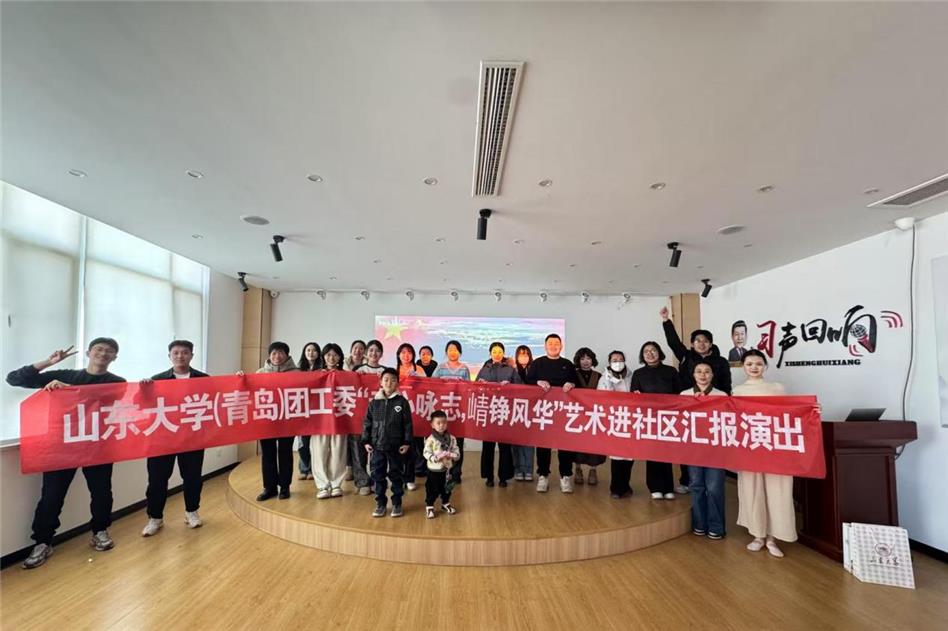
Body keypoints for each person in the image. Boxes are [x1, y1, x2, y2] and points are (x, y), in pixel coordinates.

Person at [7, 338, 125, 569]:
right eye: (99, 349)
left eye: (109, 351)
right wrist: (48, 362)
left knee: (101, 492)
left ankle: (100, 531)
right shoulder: (66, 375)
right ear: (89, 353)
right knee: (51, 495)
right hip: (61, 446)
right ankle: (43, 542)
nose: (103, 353)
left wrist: (68, 390)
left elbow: (102, 397)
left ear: (114, 357)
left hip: (97, 446)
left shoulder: (117, 382)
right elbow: (14, 379)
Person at [140, 340, 210, 537]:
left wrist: (239, 379)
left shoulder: (203, 379)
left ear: (192, 355)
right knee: (157, 480)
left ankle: (191, 511)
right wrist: (143, 390)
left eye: (185, 352)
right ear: (169, 356)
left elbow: (217, 401)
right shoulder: (157, 380)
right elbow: (143, 406)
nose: (180, 356)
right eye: (176, 352)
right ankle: (155, 518)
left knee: (193, 478)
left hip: (192, 437)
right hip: (162, 438)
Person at [660, 306, 731, 493]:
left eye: (705, 341)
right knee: (688, 443)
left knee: (712, 445)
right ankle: (687, 481)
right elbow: (673, 342)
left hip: (713, 409)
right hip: (689, 407)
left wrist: (725, 405)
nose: (701, 343)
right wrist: (666, 321)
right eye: (697, 341)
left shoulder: (721, 361)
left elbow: (726, 385)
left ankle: (712, 481)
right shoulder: (686, 356)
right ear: (692, 344)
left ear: (711, 344)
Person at [734, 350, 795, 557]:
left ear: (765, 366)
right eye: (749, 363)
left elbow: (791, 414)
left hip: (775, 447)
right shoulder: (737, 391)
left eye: (758, 363)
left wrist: (812, 410)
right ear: (743, 366)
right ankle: (758, 535)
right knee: (753, 490)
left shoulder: (778, 388)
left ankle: (773, 538)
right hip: (750, 447)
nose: (754, 367)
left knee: (777, 490)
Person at [525, 333, 578, 493]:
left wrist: (571, 384)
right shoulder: (537, 363)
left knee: (565, 444)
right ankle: (543, 475)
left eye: (556, 343)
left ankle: (565, 476)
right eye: (550, 343)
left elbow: (576, 382)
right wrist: (537, 382)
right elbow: (528, 382)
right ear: (545, 346)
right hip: (543, 411)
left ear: (561, 346)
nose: (553, 346)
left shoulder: (567, 364)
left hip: (564, 411)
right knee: (543, 444)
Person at [630, 341, 681, 500]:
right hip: (649, 418)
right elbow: (633, 395)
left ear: (659, 353)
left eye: (653, 350)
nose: (650, 353)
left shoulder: (671, 371)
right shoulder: (638, 373)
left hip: (668, 418)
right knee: (652, 452)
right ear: (642, 355)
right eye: (646, 351)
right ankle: (655, 487)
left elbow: (679, 393)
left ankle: (668, 487)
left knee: (666, 453)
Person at [682, 361, 727, 540]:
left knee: (714, 488)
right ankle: (699, 524)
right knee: (696, 486)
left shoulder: (722, 395)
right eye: (699, 371)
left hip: (715, 450)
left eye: (707, 371)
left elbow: (727, 422)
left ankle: (716, 526)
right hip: (693, 450)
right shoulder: (684, 395)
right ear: (693, 375)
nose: (703, 375)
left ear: (712, 375)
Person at [362, 368, 413, 518]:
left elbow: (407, 424)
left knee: (396, 475)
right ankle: (380, 504)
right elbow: (367, 423)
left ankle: (397, 503)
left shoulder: (402, 402)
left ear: (397, 383)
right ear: (381, 382)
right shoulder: (374, 402)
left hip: (396, 446)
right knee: (378, 475)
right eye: (386, 380)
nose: (389, 383)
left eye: (393, 380)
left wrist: (407, 442)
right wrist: (366, 440)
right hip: (377, 446)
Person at [253, 341, 298, 501]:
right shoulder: (260, 373)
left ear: (287, 355)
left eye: (280, 353)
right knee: (268, 454)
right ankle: (269, 487)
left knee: (285, 453)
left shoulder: (297, 373)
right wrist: (241, 378)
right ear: (269, 355)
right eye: (273, 353)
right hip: (266, 420)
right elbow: (249, 391)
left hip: (288, 420)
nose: (277, 356)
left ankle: (285, 486)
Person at [476, 342, 519, 487]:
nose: (497, 354)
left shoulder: (510, 369)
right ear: (490, 353)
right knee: (488, 447)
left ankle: (503, 477)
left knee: (505, 447)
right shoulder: (484, 369)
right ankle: (489, 476)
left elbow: (520, 387)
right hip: (488, 412)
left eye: (500, 351)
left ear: (503, 353)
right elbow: (474, 390)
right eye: (494, 351)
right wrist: (480, 385)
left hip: (504, 412)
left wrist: (510, 386)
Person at [311, 343, 349, 499]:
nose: (331, 358)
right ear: (323, 357)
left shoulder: (347, 375)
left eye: (335, 355)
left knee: (338, 452)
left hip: (340, 419)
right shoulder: (315, 374)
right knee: (319, 452)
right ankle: (322, 485)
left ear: (340, 357)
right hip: (319, 420)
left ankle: (336, 484)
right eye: (328, 355)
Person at [432, 340, 471, 484]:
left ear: (460, 352)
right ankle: (442, 472)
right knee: (441, 443)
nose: (453, 352)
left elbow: (469, 389)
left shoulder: (464, 369)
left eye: (455, 350)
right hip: (443, 413)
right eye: (450, 349)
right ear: (446, 352)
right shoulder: (440, 368)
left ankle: (456, 473)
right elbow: (431, 385)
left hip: (459, 413)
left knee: (457, 444)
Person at [598, 350, 634, 499]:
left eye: (620, 359)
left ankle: (626, 485)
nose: (617, 362)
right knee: (617, 456)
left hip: (631, 420)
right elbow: (600, 398)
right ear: (609, 362)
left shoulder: (632, 376)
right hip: (615, 420)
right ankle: (616, 488)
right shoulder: (604, 378)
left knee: (630, 456)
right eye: (614, 360)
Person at [572, 347, 606, 486]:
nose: (585, 361)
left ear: (593, 360)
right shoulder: (572, 375)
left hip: (594, 416)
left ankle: (593, 470)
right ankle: (578, 469)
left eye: (588, 358)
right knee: (577, 443)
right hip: (577, 415)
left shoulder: (599, 376)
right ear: (578, 360)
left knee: (594, 444)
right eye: (582, 359)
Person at [395, 342, 426, 490]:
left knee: (416, 446)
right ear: (398, 355)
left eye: (409, 352)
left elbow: (427, 387)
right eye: (403, 352)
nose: (406, 355)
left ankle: (412, 475)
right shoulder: (394, 370)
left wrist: (418, 379)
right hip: (398, 414)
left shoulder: (418, 369)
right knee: (400, 446)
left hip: (416, 413)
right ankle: (400, 477)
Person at [422, 410, 461, 518]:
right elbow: (426, 452)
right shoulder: (430, 439)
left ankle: (445, 502)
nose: (441, 425)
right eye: (438, 423)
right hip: (434, 469)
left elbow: (456, 450)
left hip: (447, 469)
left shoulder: (452, 438)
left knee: (447, 488)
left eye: (444, 422)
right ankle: (430, 505)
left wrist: (454, 455)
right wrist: (434, 458)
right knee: (432, 488)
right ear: (432, 424)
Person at [296, 342, 323, 481]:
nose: (311, 353)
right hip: (302, 411)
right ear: (304, 352)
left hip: (318, 411)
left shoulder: (323, 370)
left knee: (317, 444)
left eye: (314, 350)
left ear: (318, 353)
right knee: (303, 443)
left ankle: (313, 469)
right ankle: (304, 468)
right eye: (308, 350)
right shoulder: (297, 371)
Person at [512, 345, 535, 481]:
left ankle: (528, 470)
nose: (523, 357)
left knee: (529, 442)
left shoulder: (535, 369)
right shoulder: (512, 370)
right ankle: (518, 469)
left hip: (531, 410)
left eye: (526, 354)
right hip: (515, 410)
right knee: (516, 442)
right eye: (521, 354)